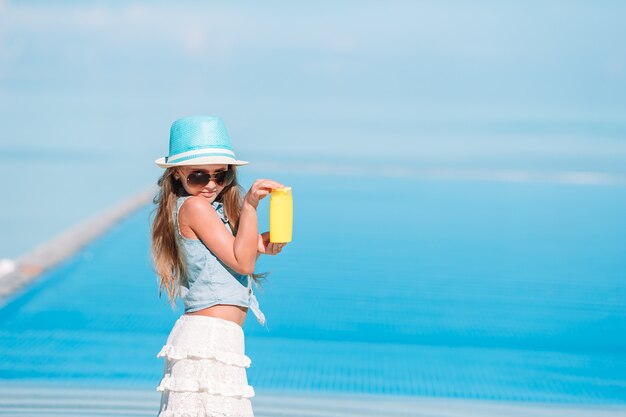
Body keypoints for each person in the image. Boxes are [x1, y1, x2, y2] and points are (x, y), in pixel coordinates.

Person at [150, 115, 287, 417]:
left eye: (219, 175)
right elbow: (243, 261)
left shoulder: (204, 209)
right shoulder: (195, 206)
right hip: (208, 340)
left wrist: (258, 244)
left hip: (216, 340)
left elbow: (234, 256)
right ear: (176, 174)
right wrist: (250, 205)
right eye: (198, 176)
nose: (210, 184)